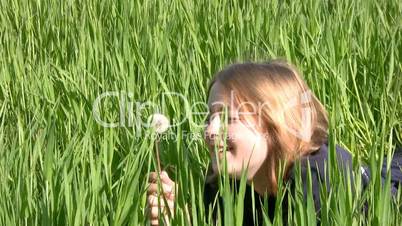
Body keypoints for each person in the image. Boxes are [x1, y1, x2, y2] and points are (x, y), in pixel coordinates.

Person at [146, 60, 402, 225]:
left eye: (227, 118)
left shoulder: (315, 177)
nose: (210, 131)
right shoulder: (222, 180)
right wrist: (184, 218)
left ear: (274, 126)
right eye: (209, 117)